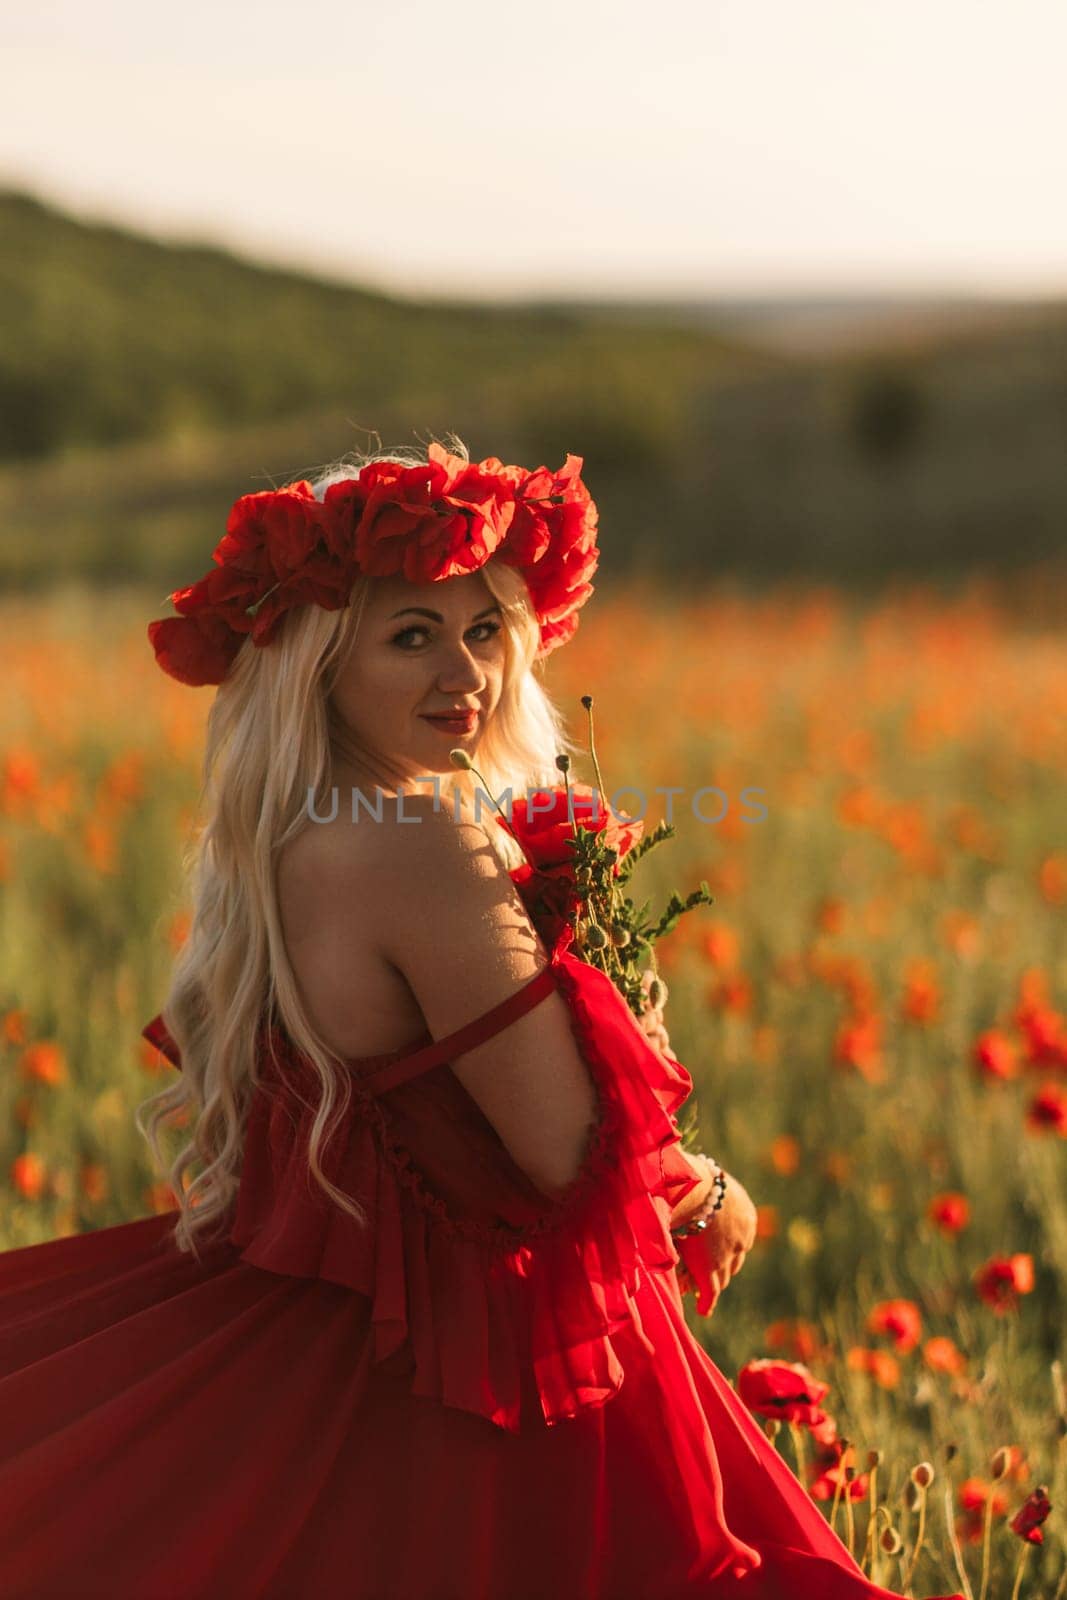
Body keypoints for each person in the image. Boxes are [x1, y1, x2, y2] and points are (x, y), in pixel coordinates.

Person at [0, 437, 963, 1600]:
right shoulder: (427, 846)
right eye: (411, 633)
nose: (465, 673)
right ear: (318, 660)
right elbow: (567, 1159)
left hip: (345, 1336)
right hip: (482, 1373)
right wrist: (708, 1186)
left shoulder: (296, 841)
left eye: (484, 631)